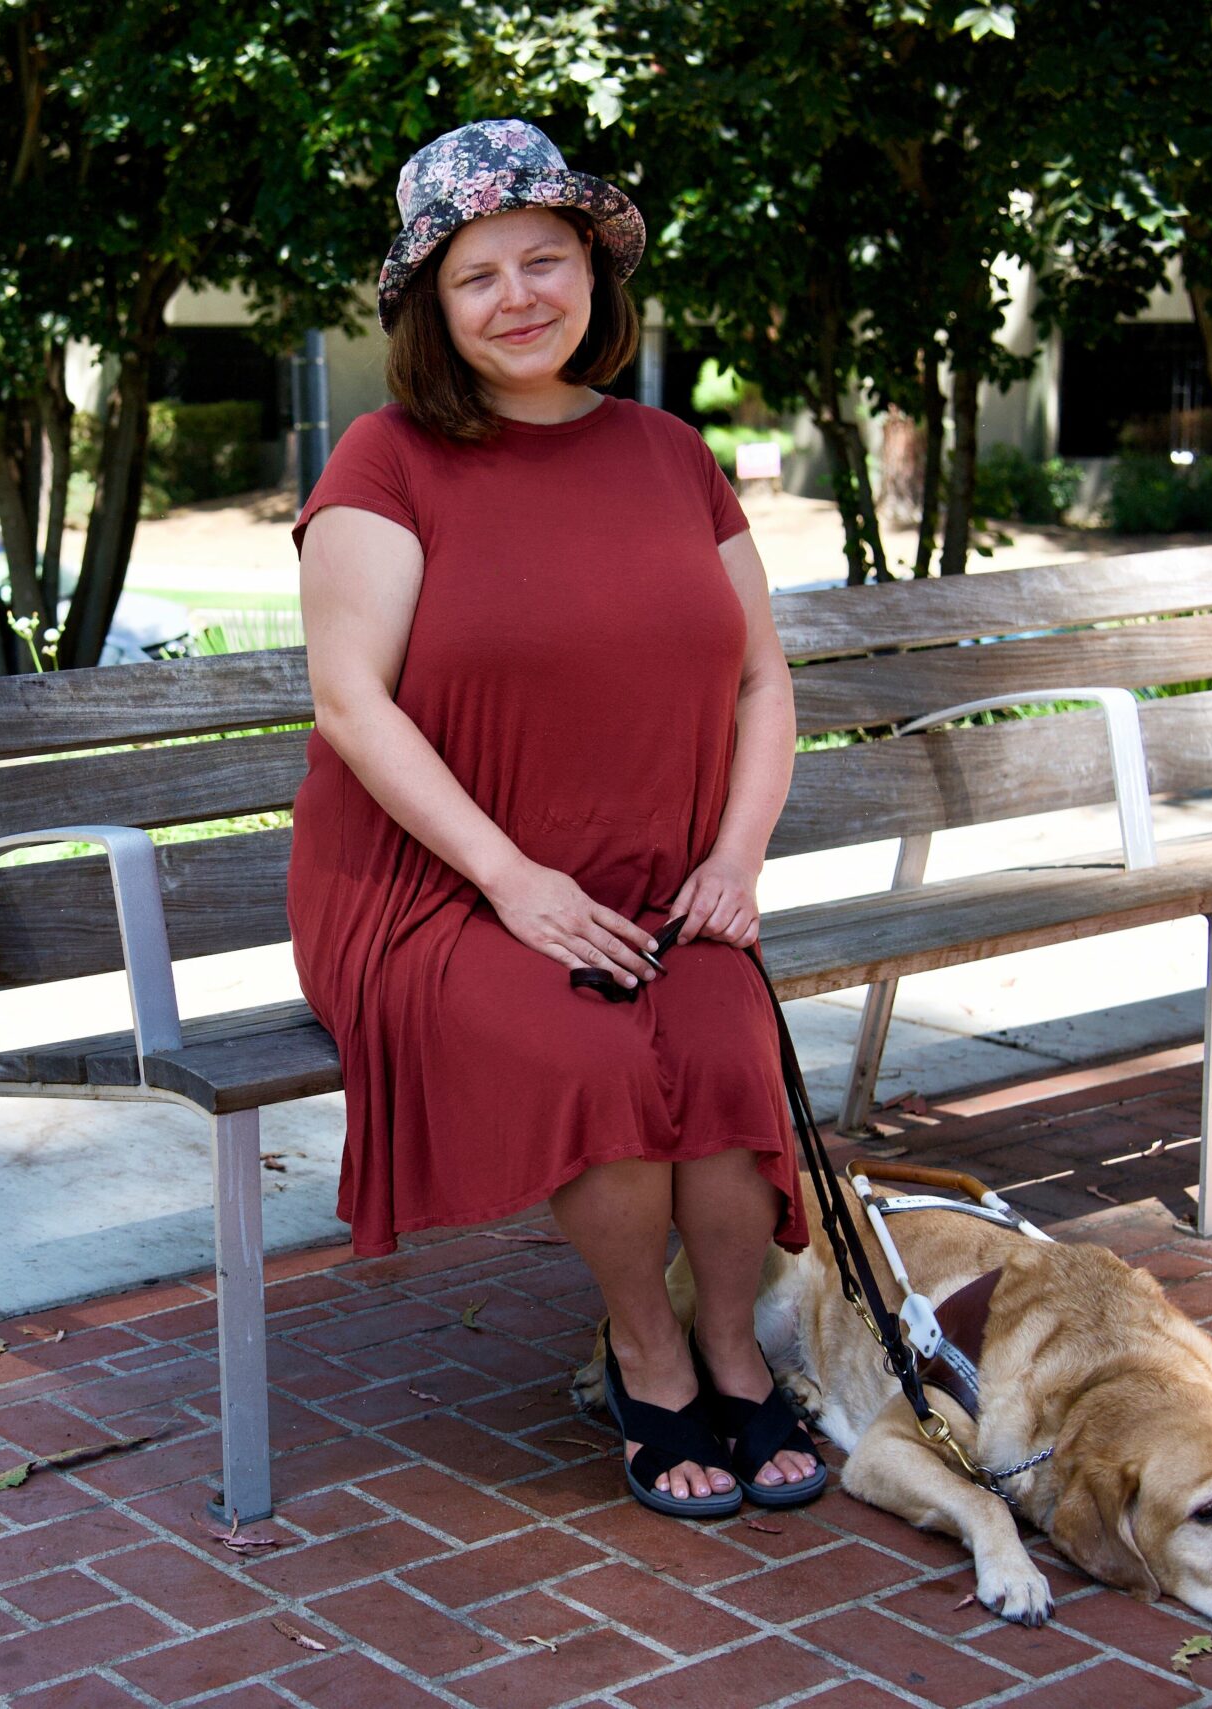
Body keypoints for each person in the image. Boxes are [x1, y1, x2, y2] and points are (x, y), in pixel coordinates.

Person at [288, 119, 823, 1519]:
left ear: (595, 274)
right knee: (597, 1059)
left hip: (656, 879)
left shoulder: (669, 454)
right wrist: (512, 879)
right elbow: (352, 701)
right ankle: (648, 1360)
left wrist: (736, 859)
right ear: (428, 306)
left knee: (720, 1047)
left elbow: (766, 676)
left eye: (548, 259)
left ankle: (728, 1340)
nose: (520, 295)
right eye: (478, 275)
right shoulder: (386, 458)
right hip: (434, 892)